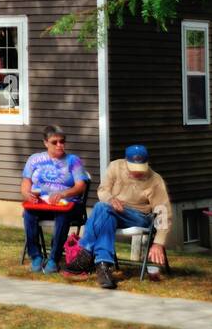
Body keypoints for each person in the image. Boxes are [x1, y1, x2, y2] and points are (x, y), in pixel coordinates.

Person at [66, 145, 171, 289]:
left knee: (100, 207)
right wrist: (110, 199)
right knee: (105, 212)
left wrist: (158, 242)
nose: (137, 173)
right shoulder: (115, 167)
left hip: (139, 216)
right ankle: (103, 266)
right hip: (113, 211)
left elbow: (162, 211)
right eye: (133, 168)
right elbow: (103, 190)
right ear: (126, 162)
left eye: (141, 168)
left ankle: (86, 252)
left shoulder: (155, 180)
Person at [19, 124, 89, 273]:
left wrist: (64, 194)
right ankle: (36, 256)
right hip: (42, 204)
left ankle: (54, 259)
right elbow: (26, 183)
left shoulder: (73, 160)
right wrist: (27, 194)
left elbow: (80, 186)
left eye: (62, 141)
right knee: (28, 213)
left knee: (63, 215)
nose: (59, 145)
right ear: (45, 143)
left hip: (68, 205)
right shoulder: (34, 159)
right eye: (54, 142)